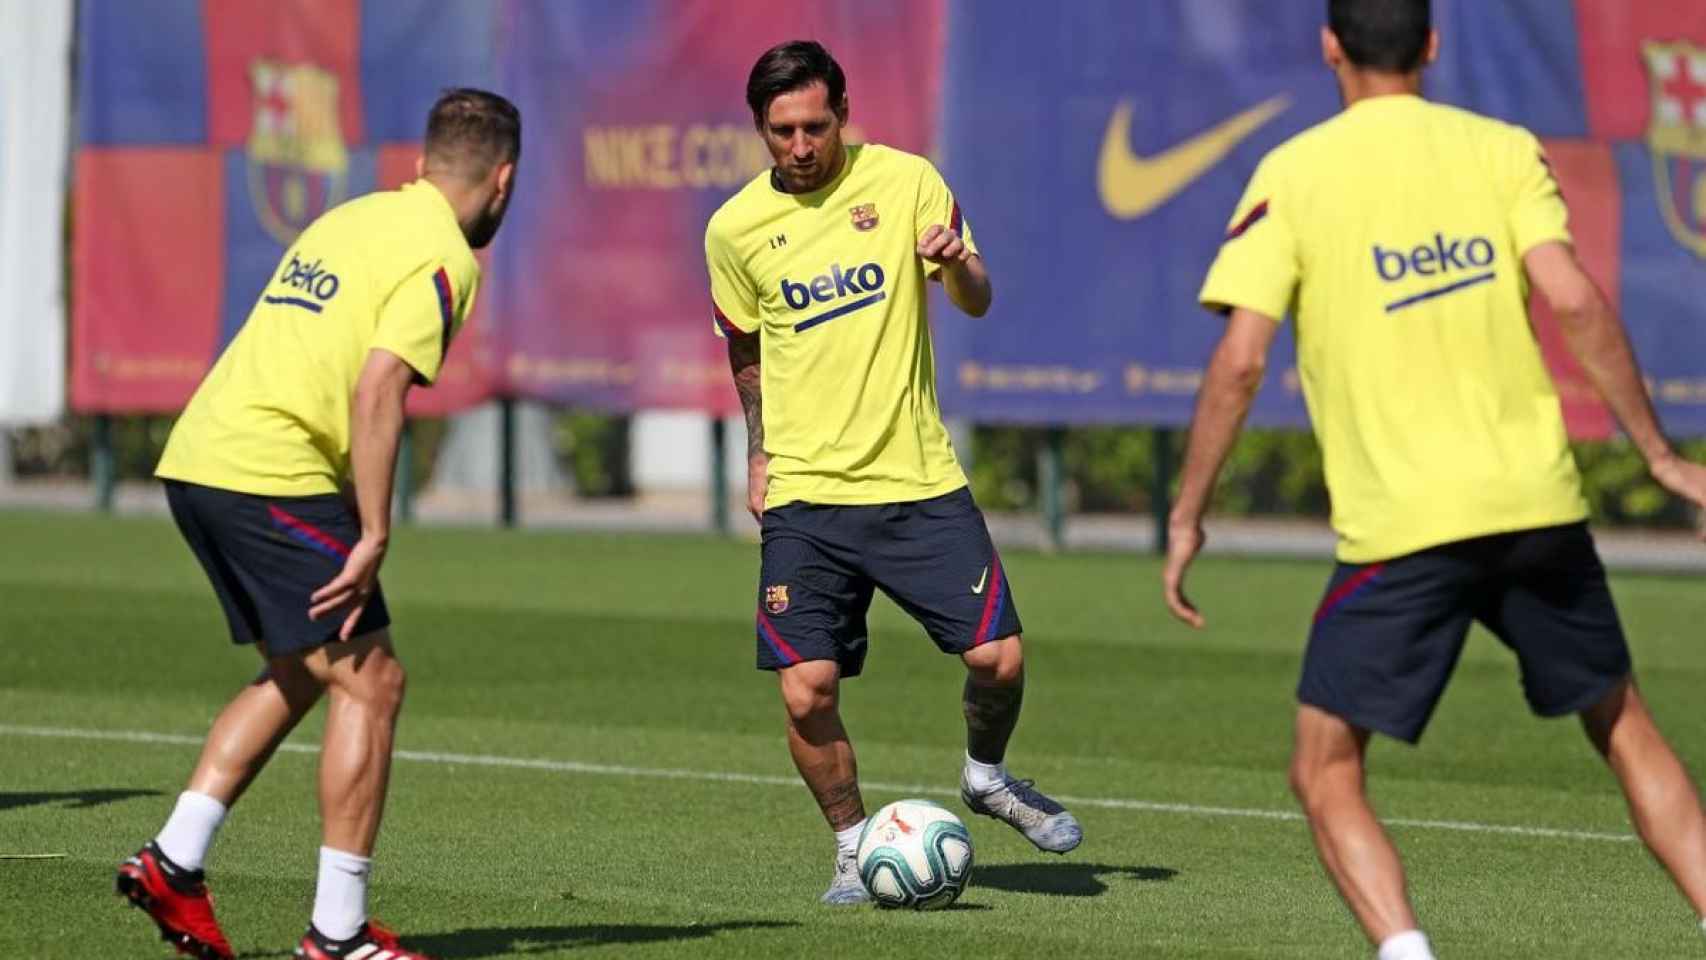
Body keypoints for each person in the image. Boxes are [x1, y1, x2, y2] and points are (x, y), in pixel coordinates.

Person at [1163, 1, 1706, 956]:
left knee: (1324, 769)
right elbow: (1574, 299)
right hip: (1537, 504)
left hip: (1405, 527)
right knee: (1623, 725)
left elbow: (1241, 362)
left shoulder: (1292, 173)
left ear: (1330, 45)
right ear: (1433, 45)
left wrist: (1186, 516)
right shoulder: (1501, 148)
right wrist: (1660, 456)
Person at [115, 88, 520, 960]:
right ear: (504, 180)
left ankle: (174, 863)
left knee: (306, 670)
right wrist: (374, 529)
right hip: (270, 472)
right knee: (374, 682)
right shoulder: (447, 255)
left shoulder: (356, 217)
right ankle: (337, 936)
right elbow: (379, 388)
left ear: (420, 165)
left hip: (201, 458)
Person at [704, 40, 1083, 905]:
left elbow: (978, 295)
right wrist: (761, 451)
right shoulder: (733, 230)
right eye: (781, 131)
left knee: (1000, 660)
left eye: (815, 126)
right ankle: (850, 849)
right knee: (807, 691)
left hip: (916, 480)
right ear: (761, 128)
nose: (799, 146)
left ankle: (986, 777)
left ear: (842, 111)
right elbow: (746, 349)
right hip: (807, 492)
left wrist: (957, 262)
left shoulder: (908, 180)